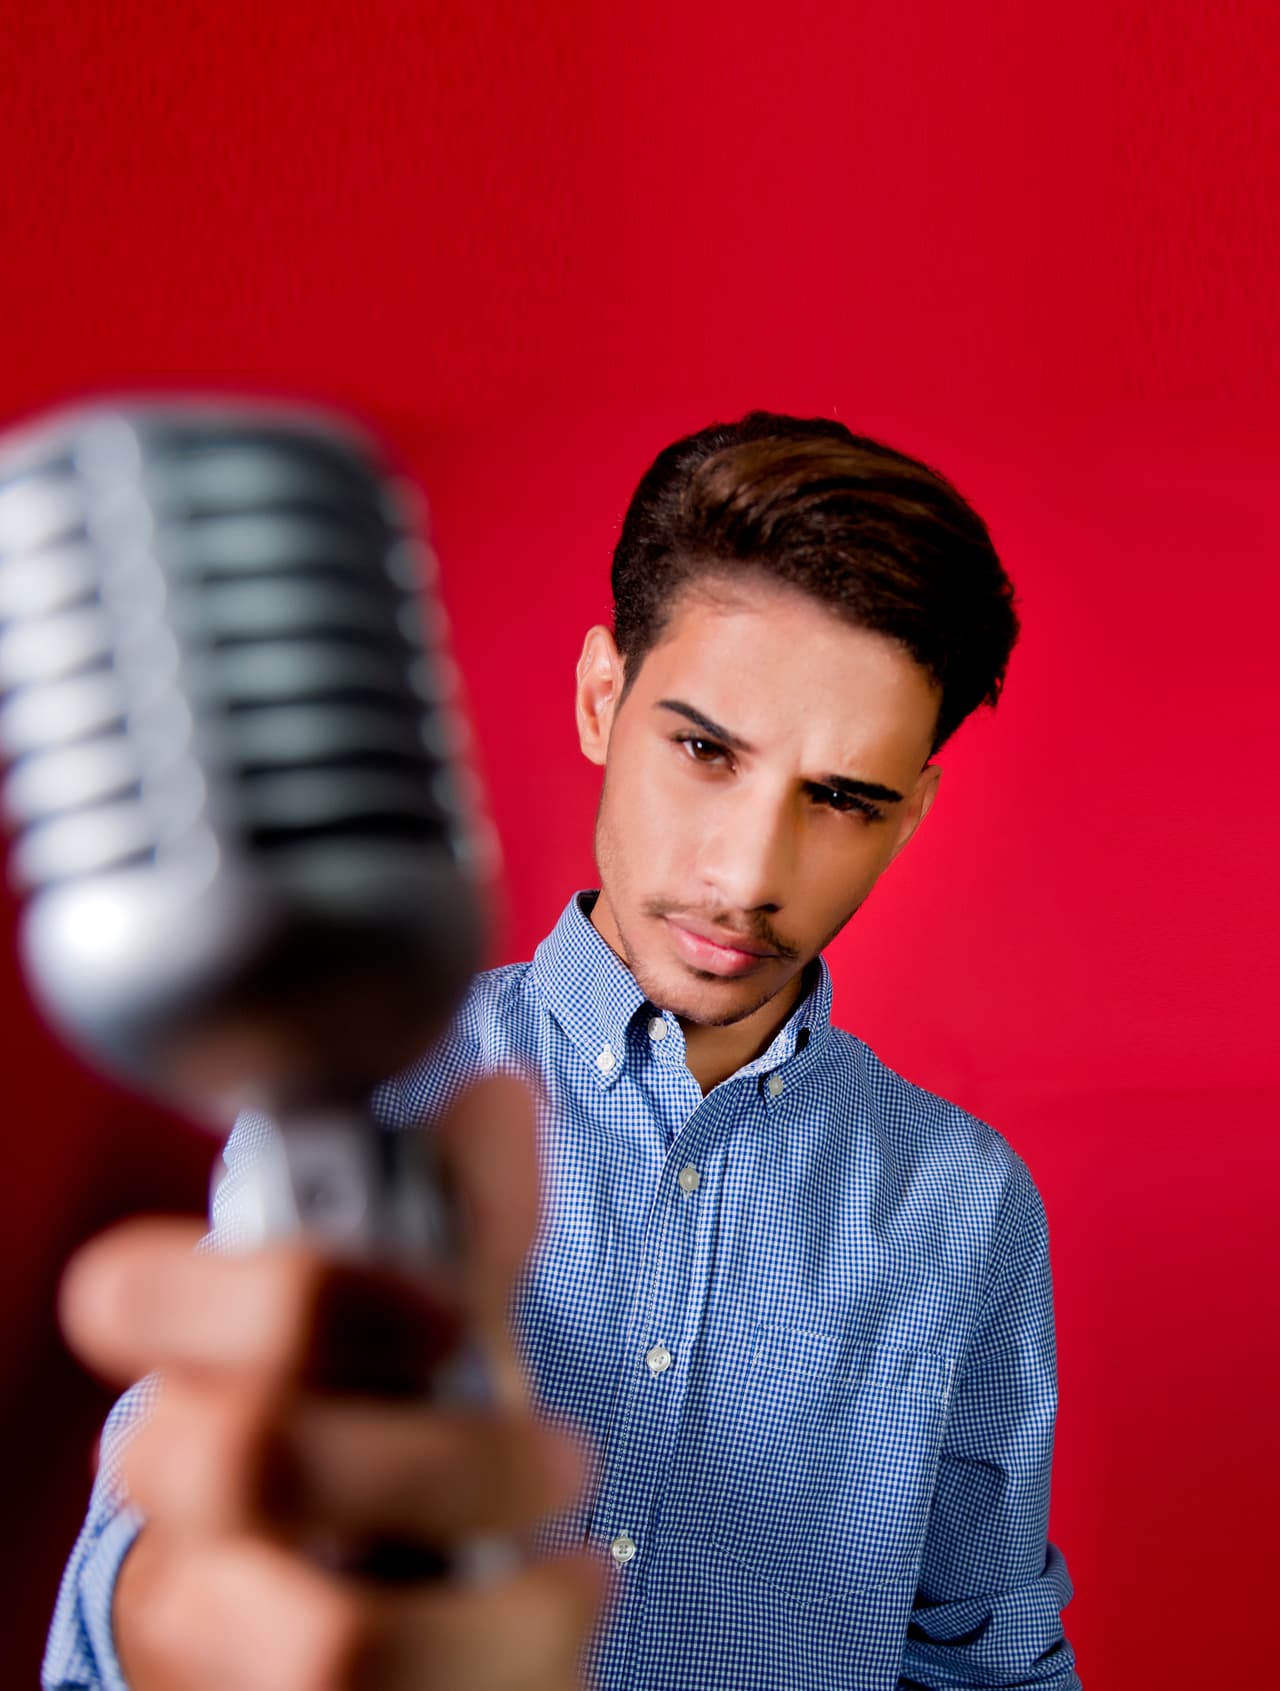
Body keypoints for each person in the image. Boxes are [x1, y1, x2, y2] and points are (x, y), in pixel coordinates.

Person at [44, 411, 1081, 1690]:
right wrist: (179, 1609)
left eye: (840, 798)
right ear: (603, 697)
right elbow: (153, 1577)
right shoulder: (367, 1087)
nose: (746, 877)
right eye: (703, 751)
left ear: (909, 812)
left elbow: (985, 1661)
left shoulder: (964, 1206)